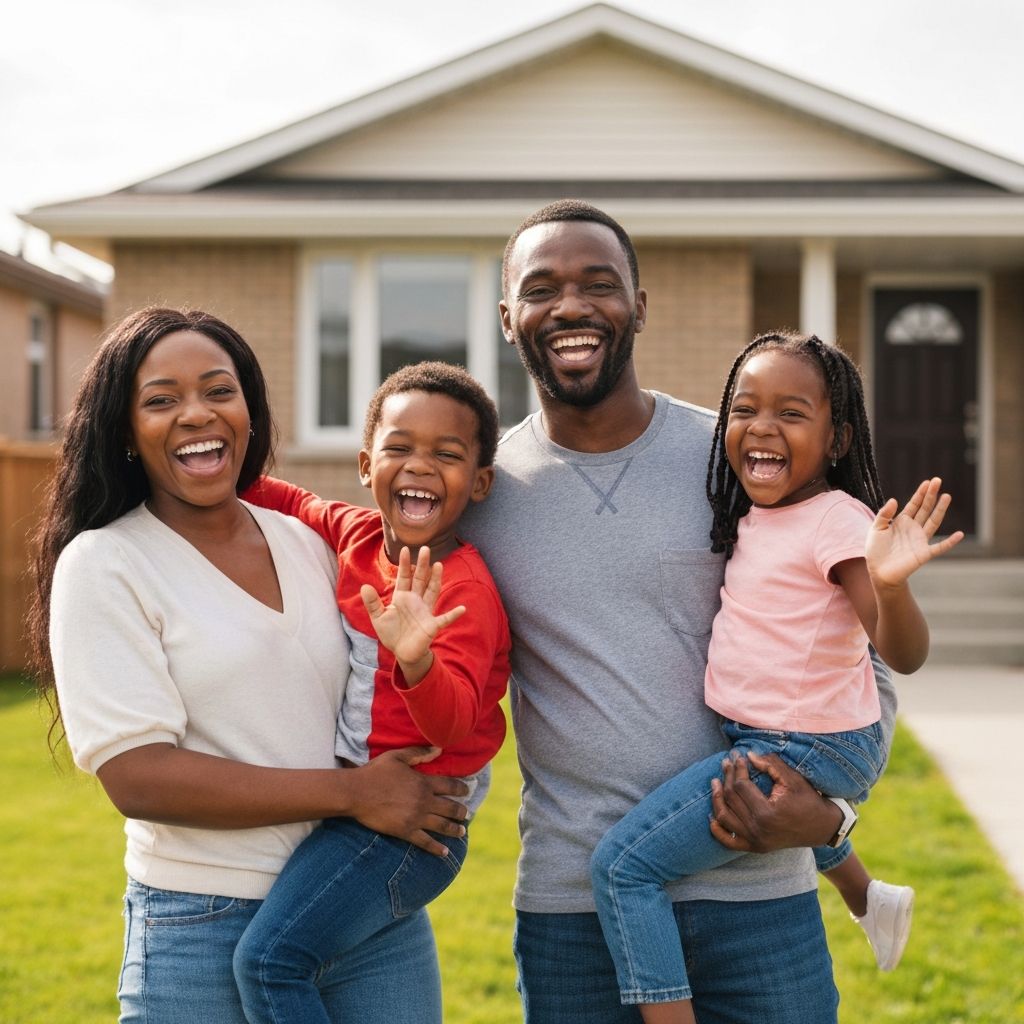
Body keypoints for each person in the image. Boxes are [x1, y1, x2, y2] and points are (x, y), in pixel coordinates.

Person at [458, 199, 899, 1024]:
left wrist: (833, 810)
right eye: (543, 287)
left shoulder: (740, 457)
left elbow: (858, 648)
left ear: (640, 305)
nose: (573, 306)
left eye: (600, 283)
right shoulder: (483, 493)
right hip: (571, 906)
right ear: (509, 316)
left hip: (757, 892)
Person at [25, 308, 470, 1024]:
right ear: (125, 431)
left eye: (218, 391)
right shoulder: (107, 564)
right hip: (203, 920)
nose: (196, 414)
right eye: (162, 399)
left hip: (359, 910)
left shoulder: (307, 544)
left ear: (250, 412)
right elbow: (138, 777)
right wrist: (353, 795)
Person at [589, 331, 963, 1024]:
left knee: (622, 869)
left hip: (800, 743)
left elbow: (901, 652)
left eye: (791, 413)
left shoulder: (836, 523)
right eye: (744, 408)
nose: (762, 427)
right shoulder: (762, 512)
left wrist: (890, 584)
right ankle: (867, 895)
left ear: (838, 439)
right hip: (784, 732)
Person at [233, 361, 511, 1024]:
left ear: (479, 482)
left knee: (269, 962)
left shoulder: (464, 592)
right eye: (399, 448)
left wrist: (415, 659)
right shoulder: (357, 535)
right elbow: (293, 502)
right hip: (361, 807)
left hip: (415, 829)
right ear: (366, 465)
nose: (419, 466)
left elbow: (451, 724)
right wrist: (218, 467)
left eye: (446, 454)